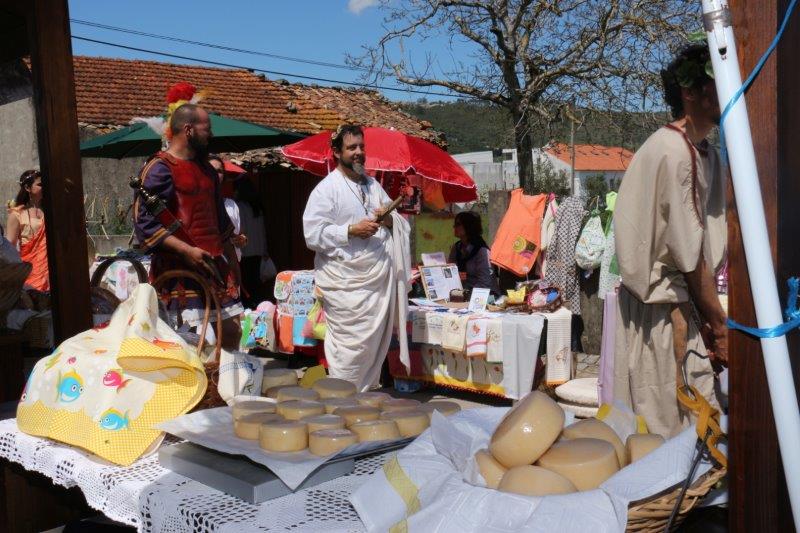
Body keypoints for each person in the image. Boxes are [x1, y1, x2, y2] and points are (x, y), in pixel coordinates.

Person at [612, 44, 727, 438]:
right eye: (715, 83)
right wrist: (719, 325)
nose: (726, 90)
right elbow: (690, 255)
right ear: (689, 92)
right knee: (672, 434)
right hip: (662, 316)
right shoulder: (674, 152)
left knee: (687, 428)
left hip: (681, 306)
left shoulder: (706, 152)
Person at [302, 124, 410, 391]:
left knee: (373, 352)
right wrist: (351, 230)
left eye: (362, 146)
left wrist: (387, 221)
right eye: (352, 148)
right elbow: (312, 235)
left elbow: (397, 222)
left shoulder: (373, 186)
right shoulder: (326, 190)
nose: (359, 152)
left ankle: (366, 403)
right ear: (337, 152)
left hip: (376, 283)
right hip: (346, 287)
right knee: (348, 353)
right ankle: (344, 403)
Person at [133, 104, 242, 350]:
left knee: (233, 332)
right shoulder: (160, 168)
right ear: (189, 130)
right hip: (178, 268)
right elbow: (146, 225)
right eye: (207, 129)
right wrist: (186, 250)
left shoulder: (207, 170)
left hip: (214, 265)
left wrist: (233, 266)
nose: (211, 134)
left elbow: (220, 223)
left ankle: (222, 385)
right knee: (186, 342)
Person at [6, 169, 49, 291]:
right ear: (27, 187)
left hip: (50, 270)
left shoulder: (50, 211)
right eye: (40, 184)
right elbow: (10, 248)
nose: (44, 186)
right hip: (30, 272)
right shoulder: (17, 215)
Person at [234, 178, 273, 309]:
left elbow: (241, 229)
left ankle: (248, 307)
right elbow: (262, 231)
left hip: (245, 251)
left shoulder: (239, 207)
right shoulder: (257, 207)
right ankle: (258, 306)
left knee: (245, 282)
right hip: (258, 250)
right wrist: (265, 250)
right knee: (256, 281)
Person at [448, 211, 499, 295]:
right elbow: (449, 272)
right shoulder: (456, 248)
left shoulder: (482, 251)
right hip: (463, 294)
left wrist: (465, 294)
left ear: (469, 226)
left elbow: (485, 283)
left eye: (458, 224)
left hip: (485, 296)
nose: (454, 227)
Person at [208, 154, 247, 263]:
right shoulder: (197, 203)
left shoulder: (231, 205)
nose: (216, 174)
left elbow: (241, 234)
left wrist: (242, 240)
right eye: (211, 170)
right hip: (207, 263)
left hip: (231, 263)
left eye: (219, 171)